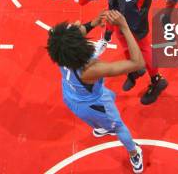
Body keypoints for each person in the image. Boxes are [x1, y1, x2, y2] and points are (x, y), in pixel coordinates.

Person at [47, 10, 144, 173]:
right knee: (119, 126)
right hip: (93, 104)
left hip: (71, 97)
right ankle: (134, 152)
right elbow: (138, 63)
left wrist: (92, 23)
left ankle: (103, 126)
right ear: (80, 46)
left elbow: (75, 34)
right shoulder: (90, 70)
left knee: (105, 99)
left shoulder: (59, 48)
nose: (78, 23)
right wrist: (125, 27)